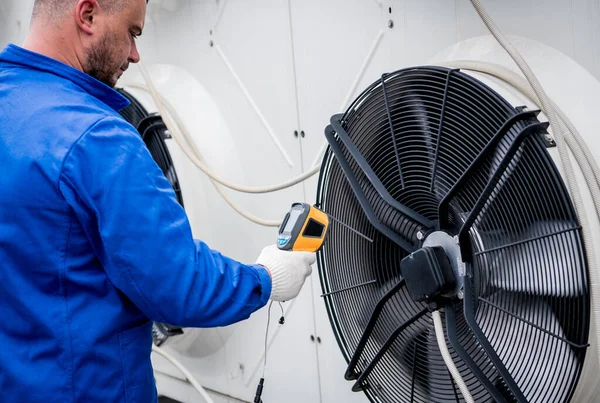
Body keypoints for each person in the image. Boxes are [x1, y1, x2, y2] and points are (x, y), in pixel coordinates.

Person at [0, 0, 315, 401]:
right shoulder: (97, 137)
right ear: (88, 14)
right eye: (133, 32)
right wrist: (268, 277)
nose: (135, 55)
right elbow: (179, 286)